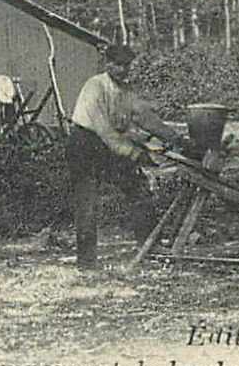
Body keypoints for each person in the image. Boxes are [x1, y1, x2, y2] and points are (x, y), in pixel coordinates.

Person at [67, 42, 177, 270]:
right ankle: (86, 263)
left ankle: (149, 247)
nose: (123, 70)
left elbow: (145, 119)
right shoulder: (94, 86)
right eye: (118, 65)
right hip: (85, 144)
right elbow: (106, 132)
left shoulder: (125, 92)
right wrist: (136, 153)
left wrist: (176, 138)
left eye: (127, 65)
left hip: (109, 144)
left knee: (138, 187)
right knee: (88, 201)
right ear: (108, 64)